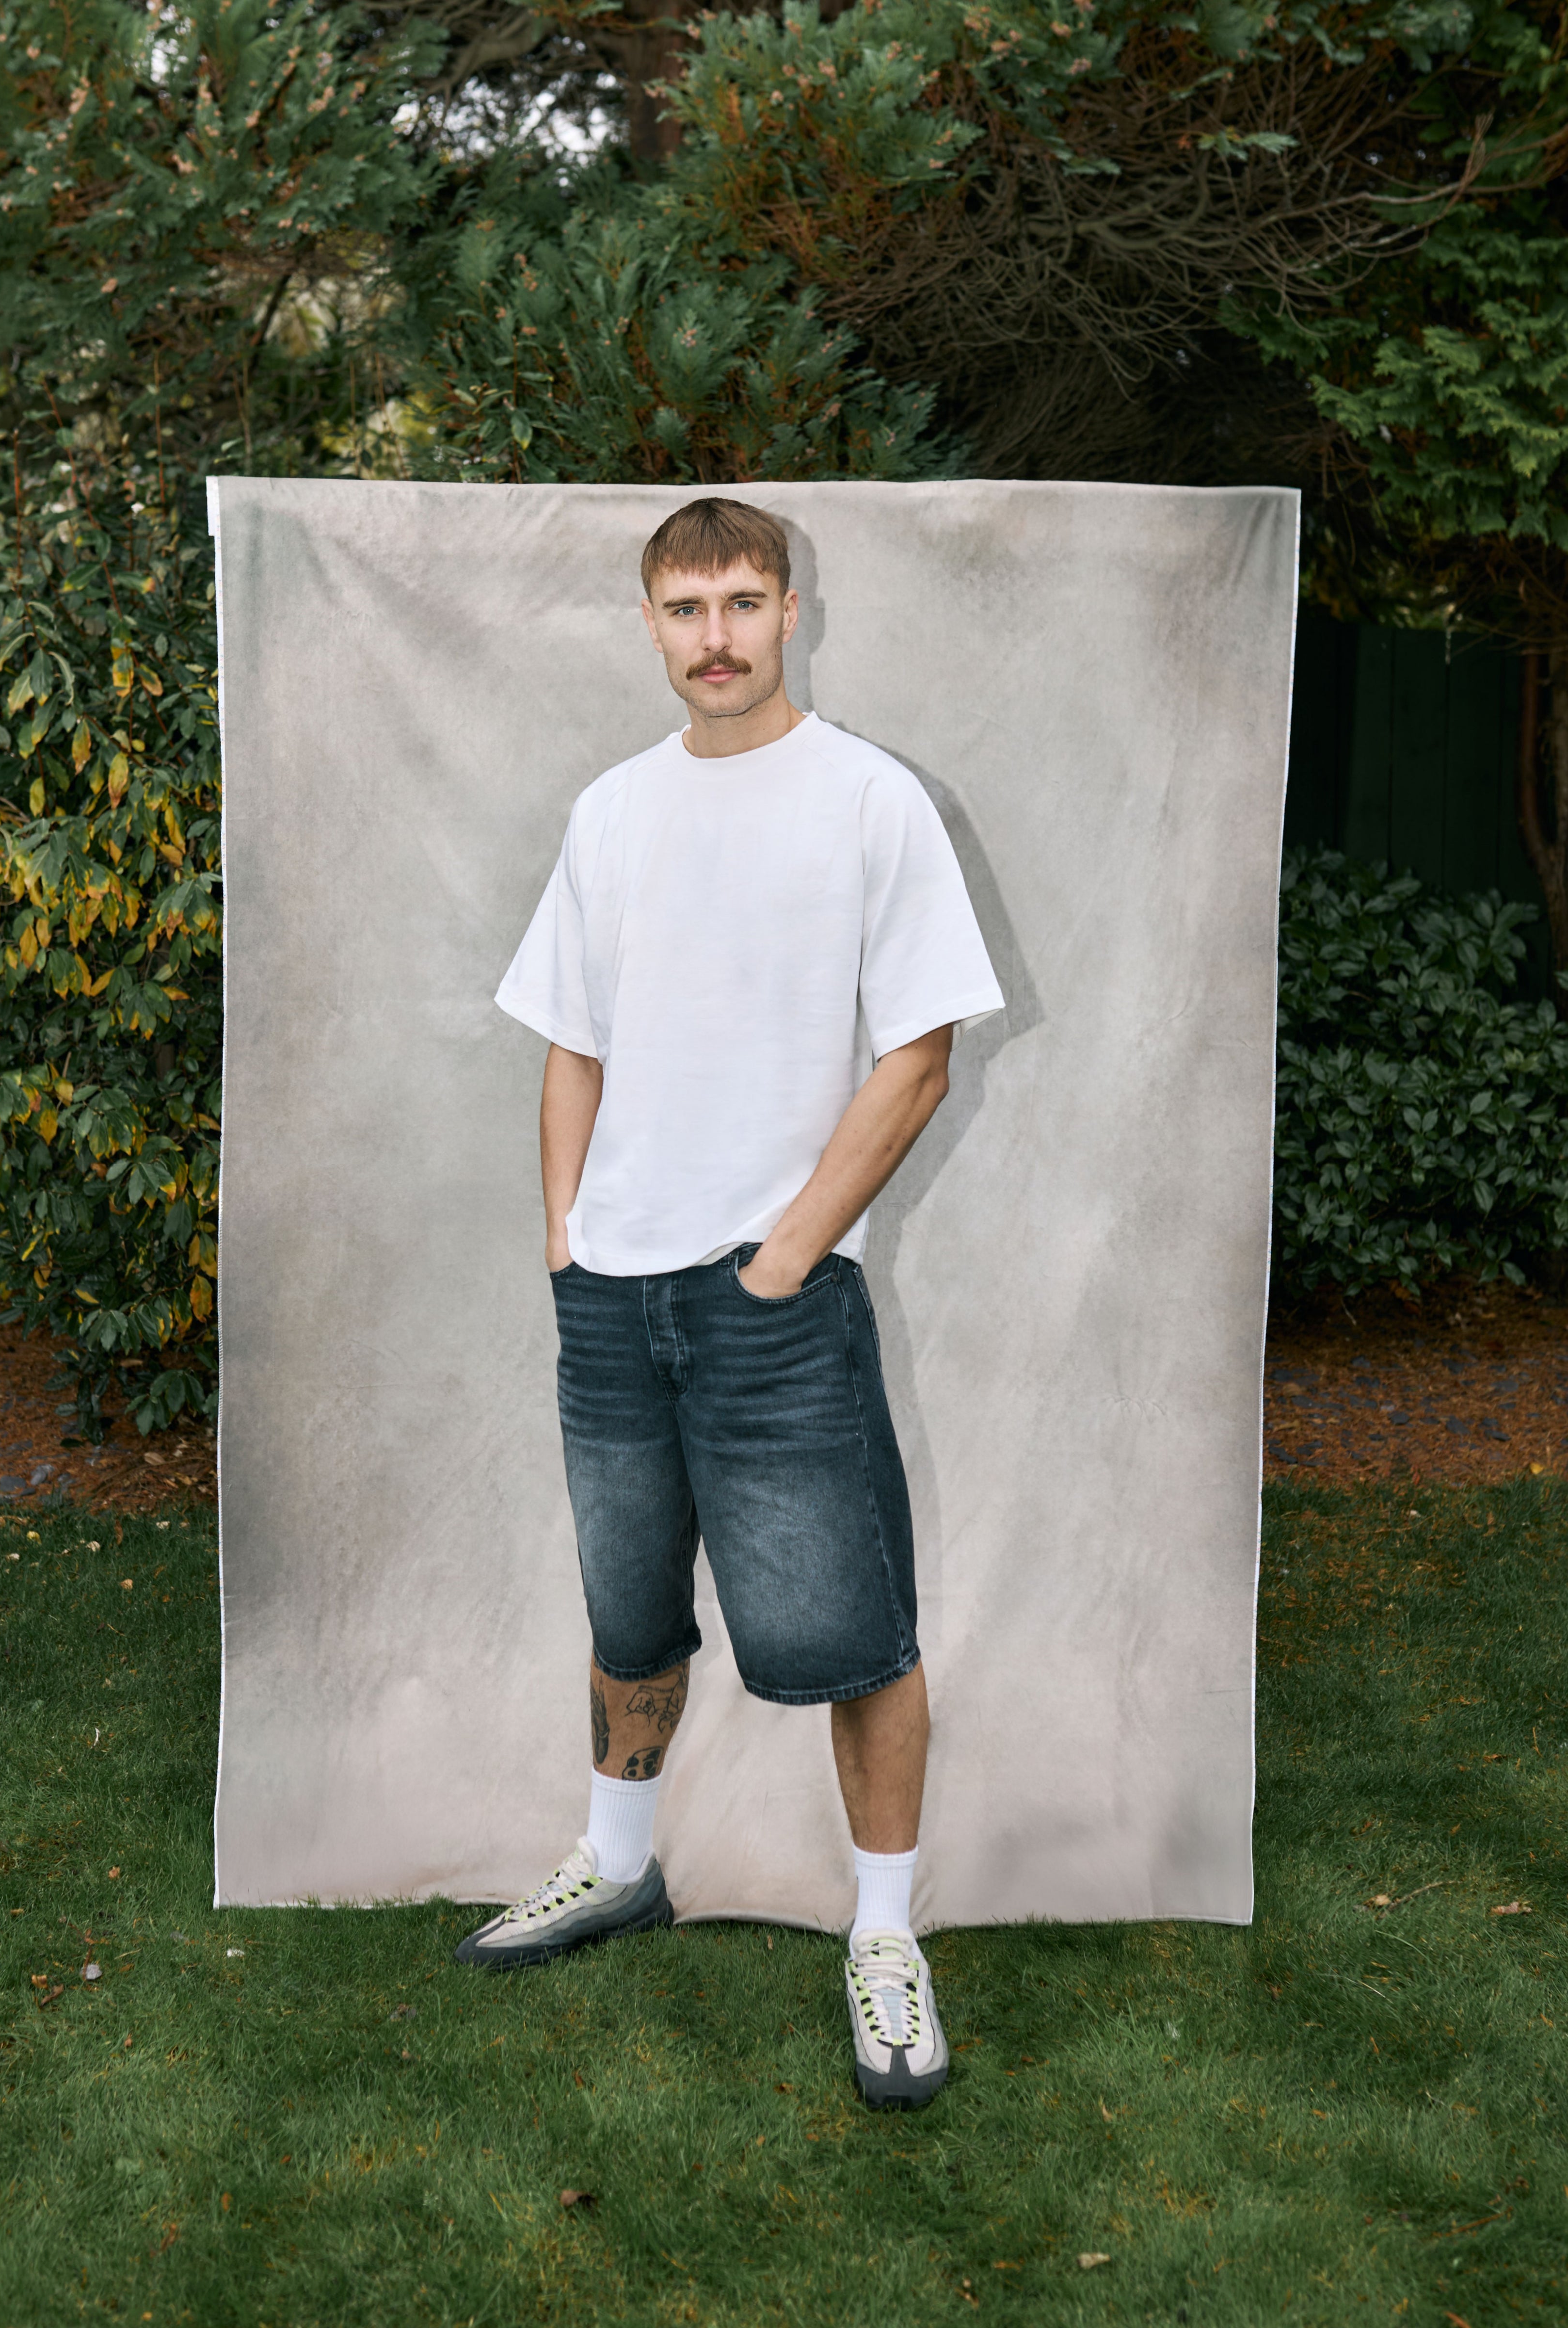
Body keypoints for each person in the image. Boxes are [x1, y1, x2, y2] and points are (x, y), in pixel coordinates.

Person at [467, 497, 1004, 2111]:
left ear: (793, 612)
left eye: (745, 602)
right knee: (630, 1613)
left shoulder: (868, 802)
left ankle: (887, 1934)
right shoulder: (612, 813)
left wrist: (787, 1254)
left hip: (773, 1305)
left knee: (847, 1634)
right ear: (650, 624)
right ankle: (617, 1862)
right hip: (611, 1303)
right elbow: (574, 1037)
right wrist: (566, 1239)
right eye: (686, 607)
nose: (717, 636)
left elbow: (920, 1052)